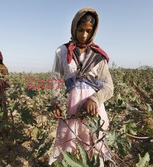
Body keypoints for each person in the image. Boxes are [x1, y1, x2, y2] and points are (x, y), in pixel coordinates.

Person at [49, 7, 114, 166]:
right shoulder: (62, 52)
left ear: (93, 31)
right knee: (69, 143)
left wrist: (94, 99)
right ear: (74, 28)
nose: (84, 35)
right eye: (80, 30)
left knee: (93, 145)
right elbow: (56, 79)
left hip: (93, 109)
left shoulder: (99, 56)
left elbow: (108, 86)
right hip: (71, 106)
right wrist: (55, 102)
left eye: (88, 31)